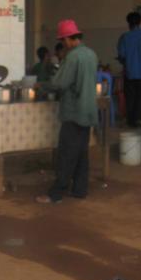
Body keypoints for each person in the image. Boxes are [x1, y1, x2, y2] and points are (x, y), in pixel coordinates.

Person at [36, 19, 98, 204]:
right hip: (88, 111)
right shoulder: (91, 54)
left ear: (69, 39)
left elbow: (59, 83)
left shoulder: (72, 57)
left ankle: (56, 194)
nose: (63, 44)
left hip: (73, 112)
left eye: (63, 41)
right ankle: (80, 190)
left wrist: (42, 85)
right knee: (81, 154)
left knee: (66, 155)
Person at [117, 11, 141, 128]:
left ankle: (130, 122)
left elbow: (121, 55)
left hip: (129, 73)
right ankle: (139, 120)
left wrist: (125, 60)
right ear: (140, 23)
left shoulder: (124, 37)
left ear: (128, 23)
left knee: (130, 98)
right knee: (140, 98)